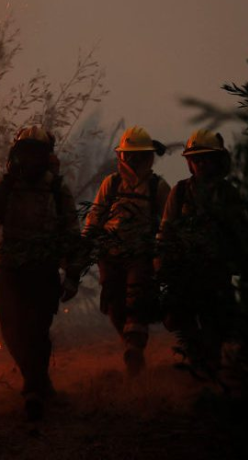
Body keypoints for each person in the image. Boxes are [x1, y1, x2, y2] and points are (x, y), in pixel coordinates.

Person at [0, 125, 82, 421]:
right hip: (10, 268)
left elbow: (72, 234)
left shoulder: (57, 190)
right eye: (25, 153)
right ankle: (36, 384)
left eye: (37, 154)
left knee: (37, 332)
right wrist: (8, 181)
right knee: (13, 330)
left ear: (47, 157)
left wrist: (72, 275)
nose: (31, 160)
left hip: (43, 270)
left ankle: (35, 388)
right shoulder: (9, 185)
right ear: (16, 154)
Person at [156, 129, 243, 377]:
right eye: (196, 159)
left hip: (216, 271)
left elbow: (239, 230)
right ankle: (198, 364)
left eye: (206, 158)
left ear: (217, 161)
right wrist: (160, 262)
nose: (201, 163)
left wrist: (239, 261)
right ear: (189, 163)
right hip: (184, 271)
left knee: (215, 323)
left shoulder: (228, 194)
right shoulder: (180, 192)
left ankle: (211, 370)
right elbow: (166, 230)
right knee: (183, 320)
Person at [84, 126, 170, 376]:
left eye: (137, 155)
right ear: (121, 155)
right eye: (128, 154)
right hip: (109, 256)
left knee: (137, 298)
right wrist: (85, 242)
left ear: (147, 156)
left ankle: (135, 347)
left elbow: (169, 222)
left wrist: (163, 254)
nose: (132, 160)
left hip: (141, 255)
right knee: (114, 304)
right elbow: (95, 216)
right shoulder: (111, 184)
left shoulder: (157, 186)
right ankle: (131, 346)